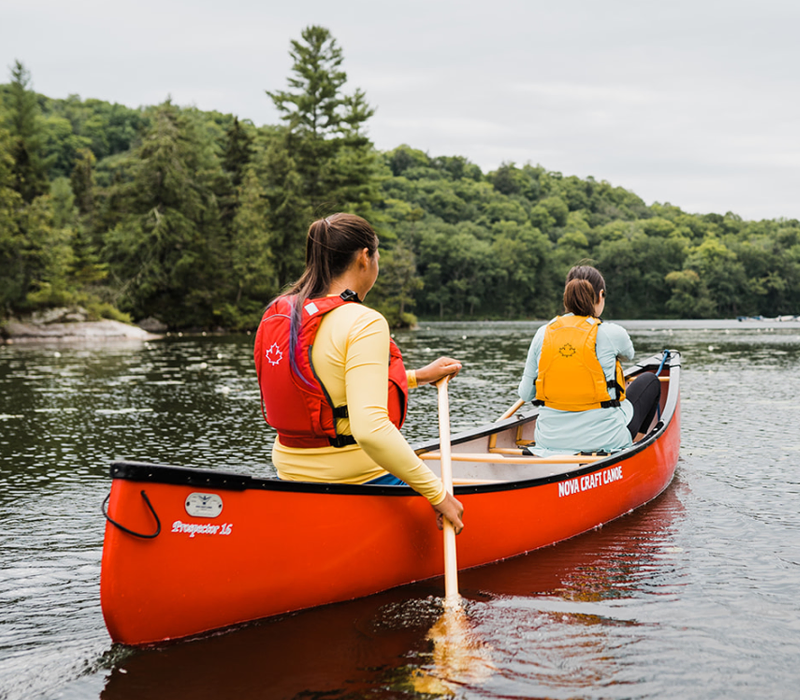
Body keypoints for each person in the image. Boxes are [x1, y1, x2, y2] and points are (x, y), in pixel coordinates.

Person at [254, 213, 464, 534]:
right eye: (377, 255)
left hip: (290, 475)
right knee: (449, 488)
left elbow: (327, 384)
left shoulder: (287, 314)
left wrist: (418, 377)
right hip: (356, 479)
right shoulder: (363, 321)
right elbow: (371, 430)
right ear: (364, 258)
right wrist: (438, 495)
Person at [517, 264, 661, 455]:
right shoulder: (613, 332)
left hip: (549, 442)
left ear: (567, 295)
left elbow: (526, 394)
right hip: (606, 440)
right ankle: (637, 446)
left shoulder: (542, 333)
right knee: (650, 381)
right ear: (600, 295)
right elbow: (629, 355)